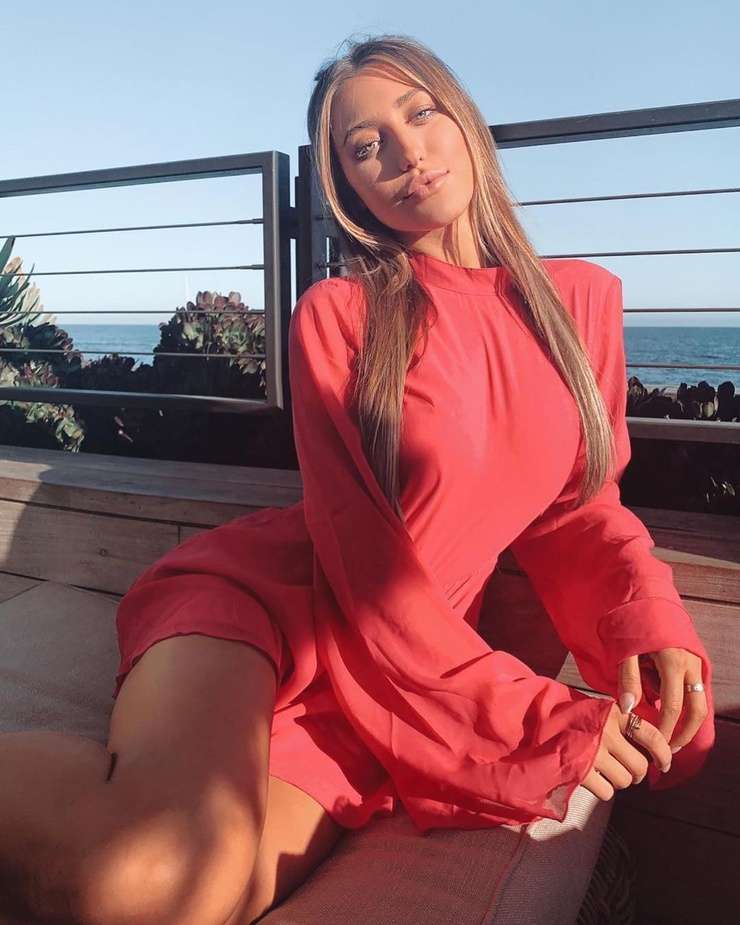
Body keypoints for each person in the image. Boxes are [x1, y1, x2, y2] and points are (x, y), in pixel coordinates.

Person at [0, 34, 713, 925]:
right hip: (268, 608)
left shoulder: (581, 305)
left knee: (197, 900)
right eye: (366, 145)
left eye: (421, 113)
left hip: (405, 673)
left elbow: (578, 507)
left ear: (464, 120)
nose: (406, 152)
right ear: (349, 187)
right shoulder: (341, 317)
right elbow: (363, 561)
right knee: (150, 877)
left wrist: (647, 618)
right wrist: (530, 719)